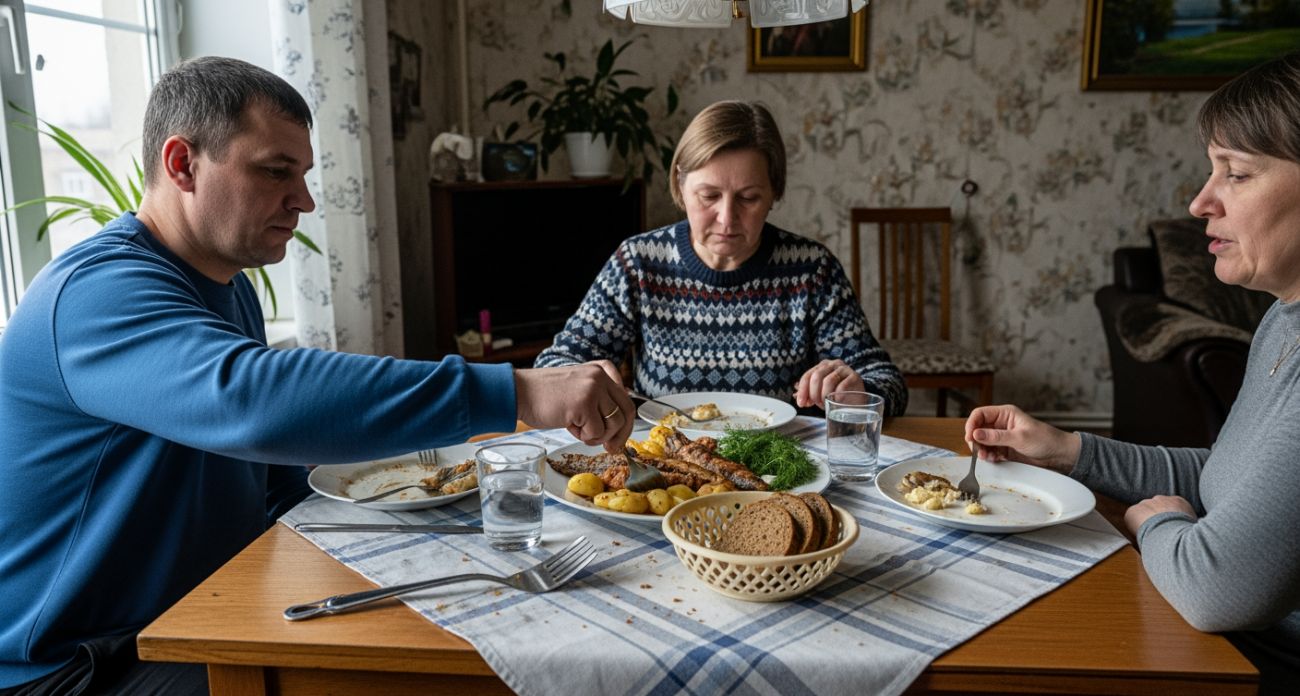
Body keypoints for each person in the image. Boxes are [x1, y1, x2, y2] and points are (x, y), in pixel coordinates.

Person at [0, 57, 634, 696]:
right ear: (182, 164)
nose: (303, 199)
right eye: (276, 171)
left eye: (302, 175)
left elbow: (278, 479)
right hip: (75, 666)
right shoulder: (94, 294)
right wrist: (518, 391)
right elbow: (253, 402)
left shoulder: (228, 290)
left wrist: (428, 527)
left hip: (191, 613)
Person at [964, 52, 1300, 695]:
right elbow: (1230, 477)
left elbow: (1215, 588)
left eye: (1237, 173)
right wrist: (1066, 450)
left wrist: (1156, 525)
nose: (1202, 201)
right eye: (1211, 170)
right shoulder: (1283, 319)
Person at [535, 101, 907, 416]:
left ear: (774, 191)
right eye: (709, 196)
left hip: (779, 472)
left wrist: (857, 391)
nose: (727, 219)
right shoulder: (639, 263)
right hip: (666, 469)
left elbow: (888, 384)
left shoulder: (811, 269)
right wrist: (583, 379)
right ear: (680, 184)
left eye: (748, 198)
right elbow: (552, 368)